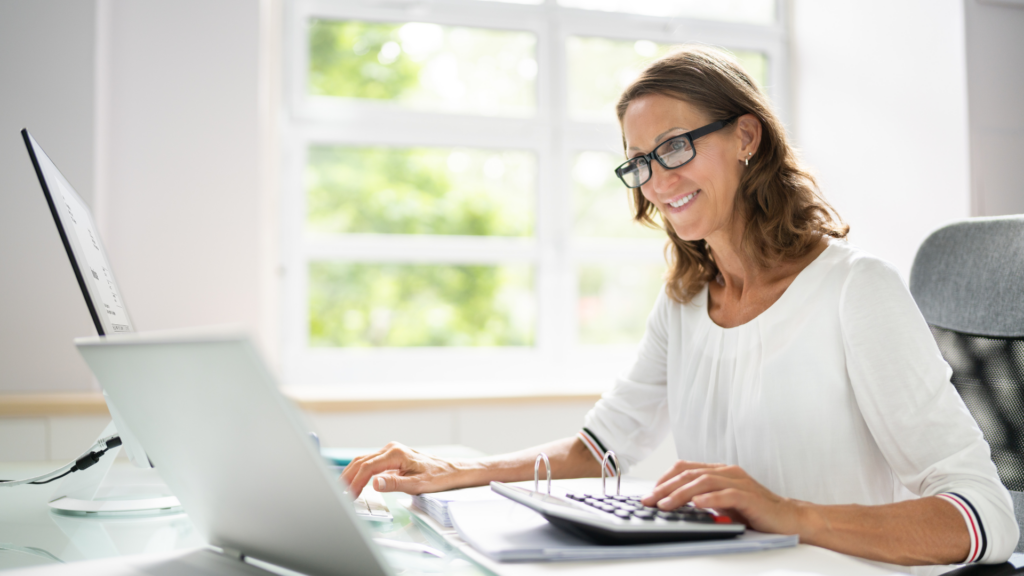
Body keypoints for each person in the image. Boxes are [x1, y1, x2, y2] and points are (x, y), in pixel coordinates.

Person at [341, 46, 1017, 566]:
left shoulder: (855, 291)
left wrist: (789, 513)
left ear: (747, 138)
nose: (658, 180)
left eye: (675, 146)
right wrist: (461, 470)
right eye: (639, 161)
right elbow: (599, 451)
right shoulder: (686, 304)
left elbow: (987, 513)